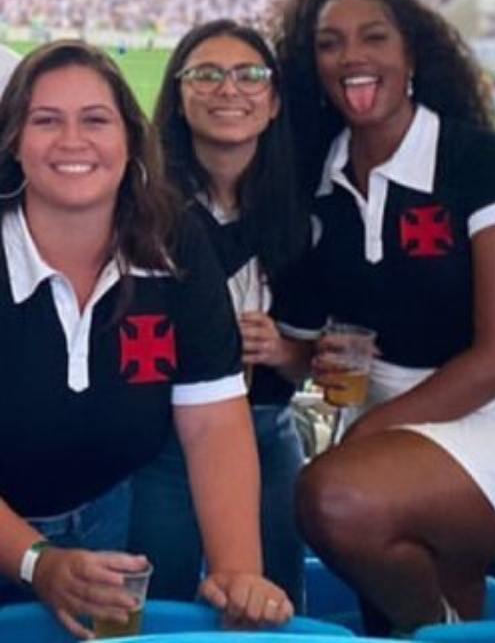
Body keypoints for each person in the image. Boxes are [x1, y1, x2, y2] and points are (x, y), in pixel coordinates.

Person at [272, 0, 495, 634]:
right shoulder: (314, 182)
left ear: (411, 53)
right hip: (391, 426)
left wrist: (369, 432)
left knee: (333, 496)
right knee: (384, 604)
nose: (352, 56)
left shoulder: (481, 163)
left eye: (374, 37)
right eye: (329, 43)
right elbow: (298, 349)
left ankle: (445, 630)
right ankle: (451, 626)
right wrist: (303, 355)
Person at [0, 40, 293, 637]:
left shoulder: (173, 242)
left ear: (132, 139)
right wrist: (37, 561)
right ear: (13, 141)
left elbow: (213, 420)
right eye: (46, 121)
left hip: (106, 521)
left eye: (96, 120)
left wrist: (239, 573)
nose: (73, 141)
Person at [129, 20, 311, 606]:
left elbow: (326, 354)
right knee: (161, 606)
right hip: (163, 442)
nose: (227, 90)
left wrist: (285, 350)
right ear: (178, 97)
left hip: (268, 430)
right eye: (205, 74)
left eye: (249, 75)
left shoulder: (306, 207)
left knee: (272, 603)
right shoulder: (142, 207)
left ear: (275, 99)